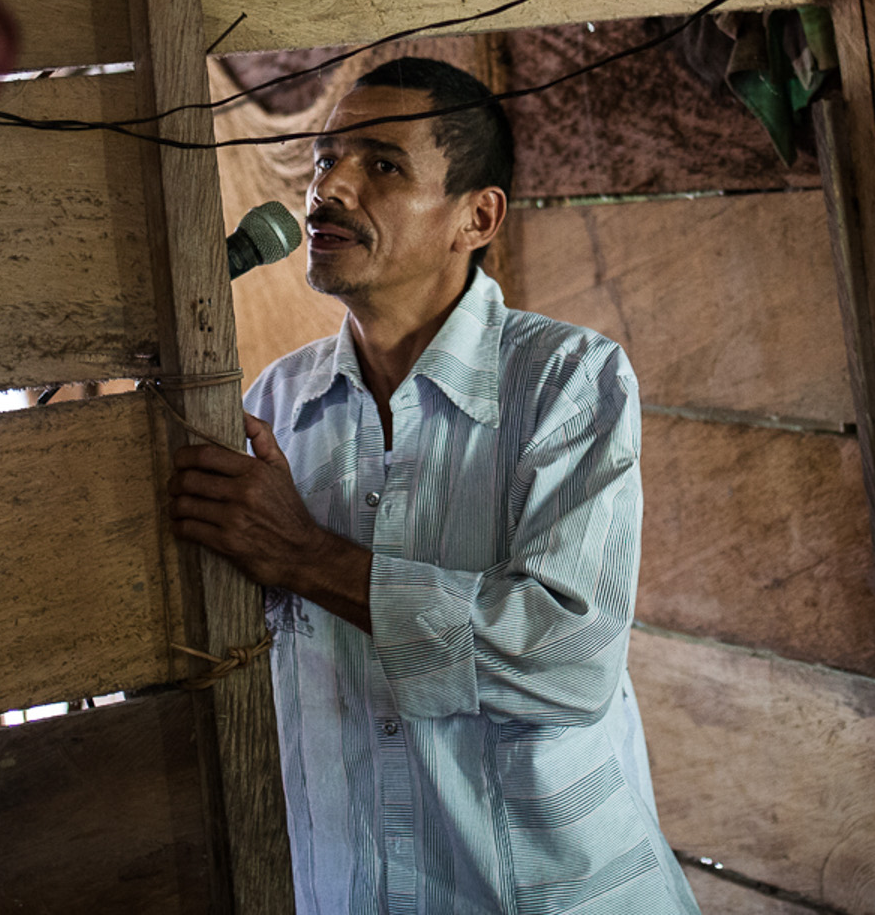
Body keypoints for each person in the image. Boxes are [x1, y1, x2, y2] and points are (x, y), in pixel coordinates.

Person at [170, 57, 701, 914]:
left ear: (476, 216)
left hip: (541, 896)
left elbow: (563, 663)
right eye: (324, 158)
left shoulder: (566, 380)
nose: (329, 187)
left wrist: (305, 556)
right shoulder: (277, 403)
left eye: (381, 164)